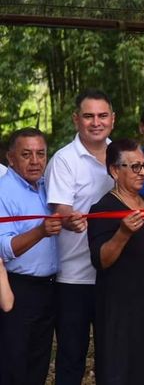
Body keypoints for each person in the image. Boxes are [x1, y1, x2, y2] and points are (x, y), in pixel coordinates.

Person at [87, 138, 144, 385]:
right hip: (124, 310)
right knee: (127, 368)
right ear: (114, 171)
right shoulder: (103, 209)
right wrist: (123, 233)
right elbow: (101, 260)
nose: (142, 172)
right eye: (135, 167)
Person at [45, 88, 115, 385]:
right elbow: (60, 209)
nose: (96, 122)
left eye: (102, 116)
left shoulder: (123, 154)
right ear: (76, 119)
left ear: (113, 119)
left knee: (112, 356)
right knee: (72, 356)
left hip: (114, 273)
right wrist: (70, 219)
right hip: (73, 276)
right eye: (88, 116)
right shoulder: (63, 159)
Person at [0, 128, 69, 384]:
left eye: (41, 154)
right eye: (26, 154)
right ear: (11, 158)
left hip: (48, 288)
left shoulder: (47, 186)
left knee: (39, 363)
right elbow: (4, 247)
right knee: (13, 364)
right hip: (17, 289)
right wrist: (40, 231)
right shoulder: (3, 191)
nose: (35, 161)